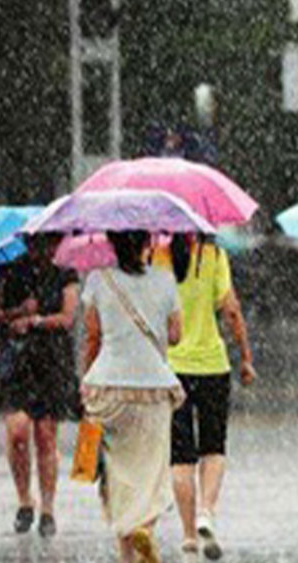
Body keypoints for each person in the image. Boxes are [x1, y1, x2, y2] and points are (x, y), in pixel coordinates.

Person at [80, 230, 184, 563]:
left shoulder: (99, 279)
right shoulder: (165, 280)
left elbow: (93, 338)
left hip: (108, 387)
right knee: (150, 472)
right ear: (148, 243)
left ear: (112, 242)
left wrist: (85, 379)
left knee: (116, 474)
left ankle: (127, 552)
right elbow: (176, 335)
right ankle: (145, 529)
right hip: (153, 387)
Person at [165, 235, 256, 562]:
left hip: (172, 368)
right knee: (213, 447)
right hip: (213, 366)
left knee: (180, 457)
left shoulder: (158, 257)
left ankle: (189, 536)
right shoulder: (213, 255)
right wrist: (245, 357)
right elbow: (231, 310)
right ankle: (206, 511)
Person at [0, 234, 80, 538]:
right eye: (40, 242)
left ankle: (48, 509)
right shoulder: (8, 271)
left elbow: (67, 318)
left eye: (52, 242)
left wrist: (36, 321)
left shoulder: (65, 274)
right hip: (16, 362)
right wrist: (18, 312)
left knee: (46, 437)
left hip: (50, 362)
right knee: (17, 432)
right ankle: (25, 500)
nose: (46, 249)